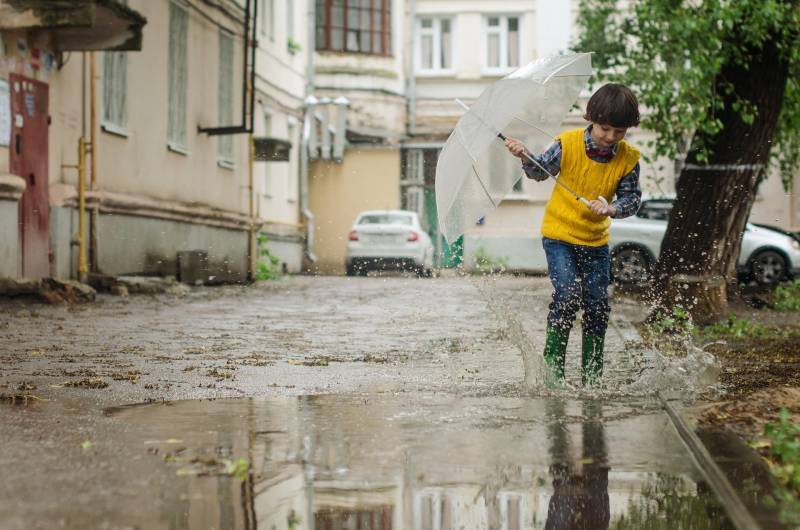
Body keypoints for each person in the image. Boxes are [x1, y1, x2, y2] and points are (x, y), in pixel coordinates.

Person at [505, 83, 642, 387]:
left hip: (596, 242)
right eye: (605, 129)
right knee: (567, 296)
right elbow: (539, 172)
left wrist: (613, 208)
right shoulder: (566, 144)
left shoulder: (629, 159)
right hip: (559, 237)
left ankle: (592, 378)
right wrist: (525, 155)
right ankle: (554, 376)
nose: (611, 137)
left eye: (619, 131)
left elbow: (632, 200)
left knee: (596, 304)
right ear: (591, 118)